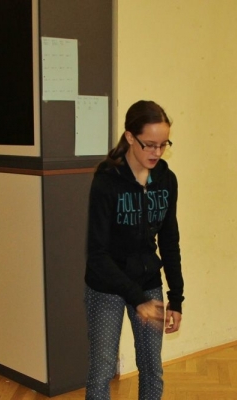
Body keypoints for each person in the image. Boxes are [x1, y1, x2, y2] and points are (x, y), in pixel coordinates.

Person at [84, 100, 184, 400]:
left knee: (152, 367)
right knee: (102, 371)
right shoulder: (107, 181)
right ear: (130, 137)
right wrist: (137, 299)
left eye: (163, 145)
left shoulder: (166, 180)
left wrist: (176, 298)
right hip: (106, 286)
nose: (157, 152)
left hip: (148, 282)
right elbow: (97, 253)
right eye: (149, 144)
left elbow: (169, 241)